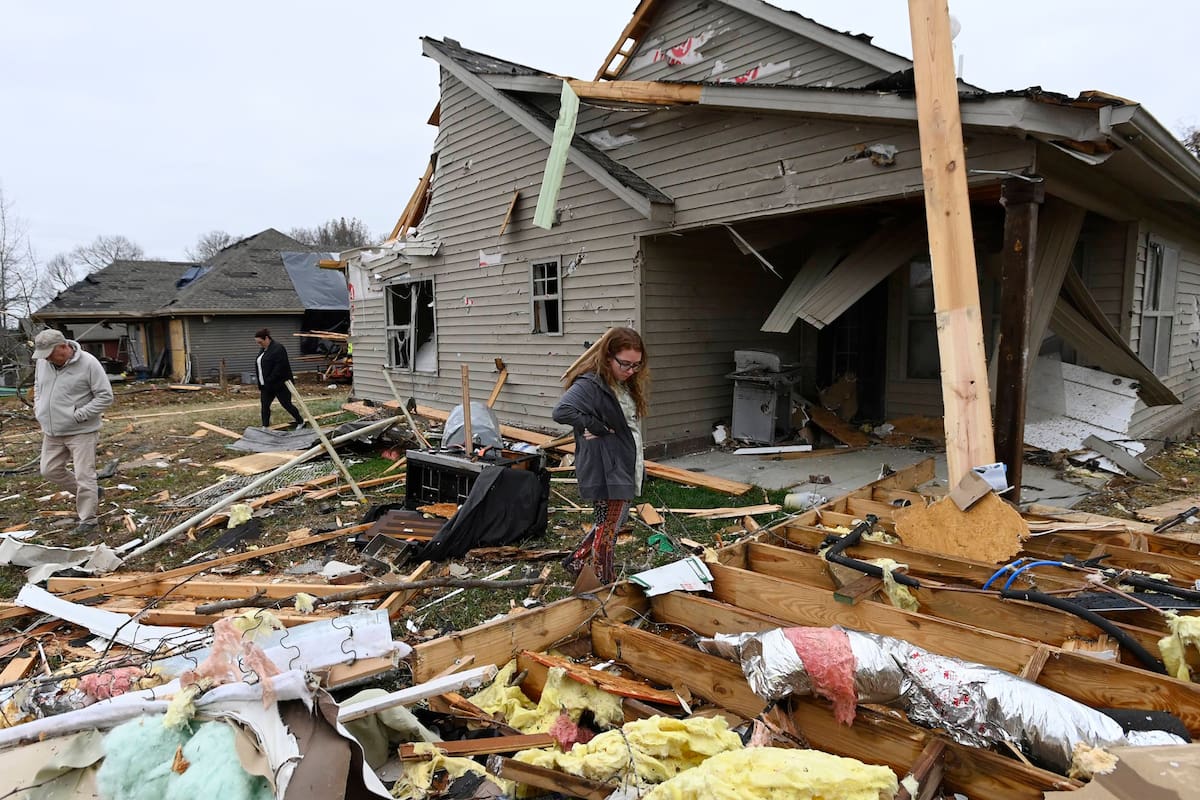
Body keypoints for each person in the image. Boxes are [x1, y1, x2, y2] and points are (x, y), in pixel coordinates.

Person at [552, 327, 649, 584]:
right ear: (608, 358)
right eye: (625, 364)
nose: (631, 371)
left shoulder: (621, 384)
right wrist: (597, 427)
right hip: (606, 466)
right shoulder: (590, 383)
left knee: (608, 522)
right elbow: (562, 411)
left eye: (636, 365)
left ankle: (575, 561)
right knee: (609, 527)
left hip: (623, 461)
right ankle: (604, 581)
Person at [32, 329, 114, 535]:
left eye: (51, 353)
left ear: (63, 346)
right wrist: (38, 408)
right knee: (49, 470)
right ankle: (91, 494)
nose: (47, 358)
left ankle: (88, 521)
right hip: (52, 430)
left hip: (81, 431)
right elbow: (38, 387)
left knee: (84, 475)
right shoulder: (43, 362)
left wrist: (79, 415)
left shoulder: (88, 363)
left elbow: (105, 396)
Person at [253, 328, 304, 429]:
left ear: (267, 338)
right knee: (265, 406)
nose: (259, 344)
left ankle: (300, 421)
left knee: (286, 404)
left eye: (260, 342)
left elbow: (280, 367)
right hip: (266, 386)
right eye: (258, 343)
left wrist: (270, 379)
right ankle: (265, 426)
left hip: (279, 384)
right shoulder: (263, 350)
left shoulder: (278, 348)